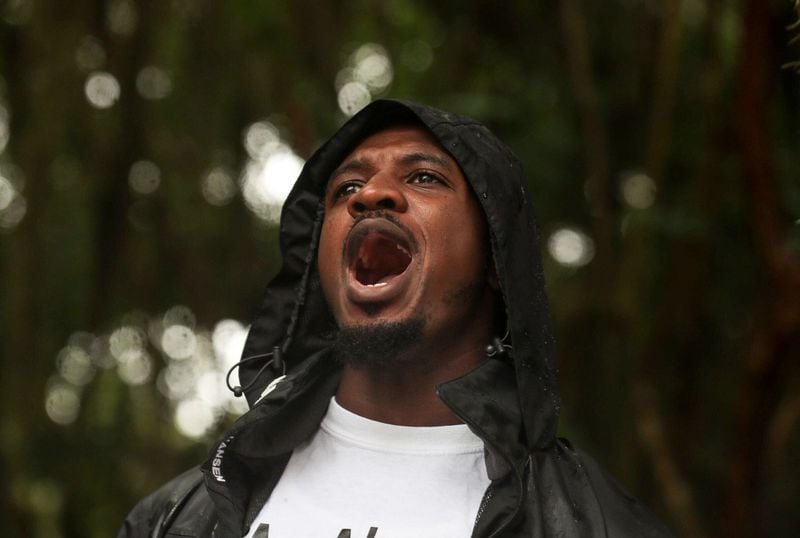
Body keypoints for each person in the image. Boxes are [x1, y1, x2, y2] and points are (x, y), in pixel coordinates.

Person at [118, 100, 674, 537]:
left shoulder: (593, 524)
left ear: (498, 260)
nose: (373, 195)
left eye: (425, 178)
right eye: (347, 189)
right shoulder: (176, 518)